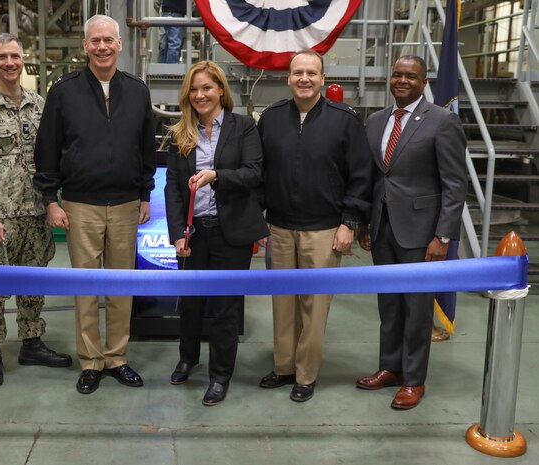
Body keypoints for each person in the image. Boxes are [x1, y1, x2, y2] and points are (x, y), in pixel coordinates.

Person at [34, 15, 156, 395]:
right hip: (79, 204)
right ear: (84, 46)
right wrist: (49, 200)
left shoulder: (137, 90)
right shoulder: (63, 91)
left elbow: (146, 147)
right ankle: (90, 361)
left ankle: (116, 357)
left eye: (108, 40)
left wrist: (145, 194)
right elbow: (47, 149)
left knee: (121, 287)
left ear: (120, 44)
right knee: (86, 287)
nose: (102, 47)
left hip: (124, 205)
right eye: (94, 41)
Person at [257, 50, 371, 403]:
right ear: (288, 78)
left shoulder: (344, 120)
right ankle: (284, 366)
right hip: (278, 227)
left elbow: (360, 175)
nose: (303, 79)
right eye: (297, 73)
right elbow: (258, 174)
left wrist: (349, 223)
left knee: (315, 304)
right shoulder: (271, 119)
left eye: (311, 73)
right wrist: (256, 224)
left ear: (323, 78)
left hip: (323, 229)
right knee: (283, 302)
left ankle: (306, 374)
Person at [0, 33, 72, 389]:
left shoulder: (40, 106)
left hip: (35, 213)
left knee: (32, 283)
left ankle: (31, 342)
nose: (10, 62)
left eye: (15, 56)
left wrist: (53, 201)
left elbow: (51, 159)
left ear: (24, 60)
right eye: (2, 57)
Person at [356, 55, 466, 409]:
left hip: (422, 234)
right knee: (388, 305)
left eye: (411, 76)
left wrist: (443, 236)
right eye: (397, 75)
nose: (402, 81)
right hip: (383, 228)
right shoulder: (375, 121)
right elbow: (374, 177)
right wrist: (364, 222)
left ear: (423, 81)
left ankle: (414, 380)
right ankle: (390, 367)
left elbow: (454, 184)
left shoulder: (442, 121)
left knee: (417, 310)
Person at [165, 60, 268, 406]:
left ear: (221, 90)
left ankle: (220, 375)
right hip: (195, 234)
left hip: (231, 233)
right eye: (194, 89)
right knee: (190, 304)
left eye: (207, 88)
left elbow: (253, 173)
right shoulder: (180, 132)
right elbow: (173, 189)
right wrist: (178, 232)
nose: (200, 95)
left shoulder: (244, 128)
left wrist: (216, 175)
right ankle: (188, 357)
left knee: (226, 307)